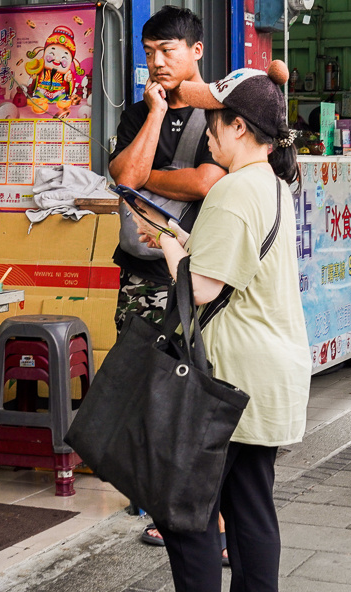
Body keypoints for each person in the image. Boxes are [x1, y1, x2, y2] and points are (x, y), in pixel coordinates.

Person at [133, 61, 310, 592]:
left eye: (213, 118)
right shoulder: (273, 183)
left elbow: (202, 288)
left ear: (240, 126)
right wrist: (182, 242)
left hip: (227, 377)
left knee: (186, 516)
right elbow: (236, 265)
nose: (206, 128)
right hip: (267, 374)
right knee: (251, 507)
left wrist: (164, 238)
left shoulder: (232, 191)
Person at [107, 5, 226, 552]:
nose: (156, 61)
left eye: (167, 50)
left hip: (197, 274)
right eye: (149, 51)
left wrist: (143, 178)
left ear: (195, 50)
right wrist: (154, 116)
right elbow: (122, 176)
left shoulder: (223, 111)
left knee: (194, 389)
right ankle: (162, 500)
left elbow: (205, 182)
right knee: (142, 385)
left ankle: (205, 514)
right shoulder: (138, 112)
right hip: (139, 272)